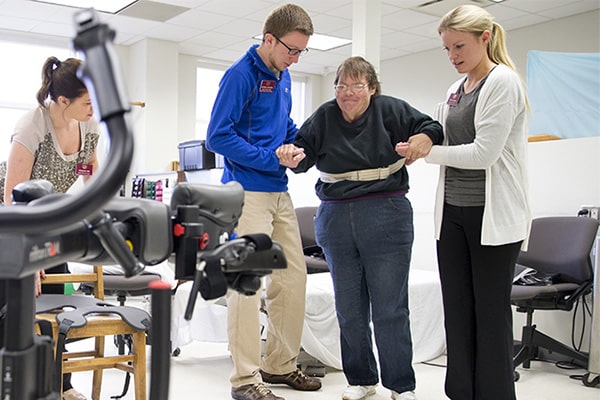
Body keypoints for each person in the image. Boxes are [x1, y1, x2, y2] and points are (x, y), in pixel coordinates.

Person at [278, 56, 443, 400]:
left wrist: (419, 143)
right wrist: (292, 155)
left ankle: (400, 385)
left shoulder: (390, 110)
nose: (347, 92)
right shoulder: (325, 116)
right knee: (349, 307)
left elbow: (431, 127)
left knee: (390, 307)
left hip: (386, 211)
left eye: (356, 85)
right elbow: (302, 152)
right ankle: (361, 379)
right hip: (336, 216)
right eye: (341, 85)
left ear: (371, 88)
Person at [396, 5, 531, 400]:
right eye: (447, 48)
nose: (453, 55)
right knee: (456, 311)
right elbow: (441, 135)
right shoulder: (455, 91)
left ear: (484, 39)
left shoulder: (502, 82)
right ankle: (461, 393)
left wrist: (427, 152)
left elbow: (482, 154)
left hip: (492, 217)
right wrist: (421, 141)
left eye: (459, 46)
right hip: (452, 215)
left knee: (489, 314)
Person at [205, 4, 321, 400]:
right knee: (248, 281)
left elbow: (282, 125)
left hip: (278, 188)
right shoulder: (241, 75)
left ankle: (279, 365)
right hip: (246, 189)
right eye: (291, 49)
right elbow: (217, 136)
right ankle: (245, 380)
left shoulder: (283, 76)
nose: (295, 58)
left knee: (292, 277)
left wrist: (296, 145)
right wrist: (269, 156)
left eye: (302, 52)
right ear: (268, 39)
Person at [0, 56, 100, 400]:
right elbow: (12, 194)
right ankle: (10, 382)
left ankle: (61, 385)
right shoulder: (33, 125)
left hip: (46, 216)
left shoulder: (88, 127)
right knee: (13, 300)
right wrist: (27, 255)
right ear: (63, 102)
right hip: (10, 216)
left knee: (58, 299)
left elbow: (92, 182)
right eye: (87, 101)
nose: (93, 108)